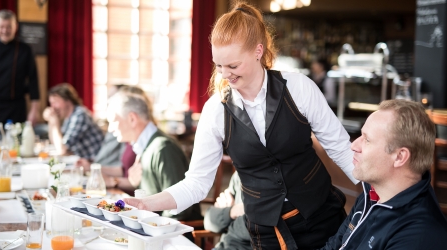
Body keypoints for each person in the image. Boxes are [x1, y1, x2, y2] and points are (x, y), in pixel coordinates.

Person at [124, 2, 357, 249]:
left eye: (233, 66)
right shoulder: (215, 111)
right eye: (219, 66)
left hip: (322, 219)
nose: (225, 75)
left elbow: (340, 149)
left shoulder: (298, 88)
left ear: (258, 51)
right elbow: (196, 183)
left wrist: (383, 190)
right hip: (267, 231)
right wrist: (147, 203)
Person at [319, 99, 447, 250]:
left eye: (367, 140)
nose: (354, 145)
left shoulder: (418, 237)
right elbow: (334, 246)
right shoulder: (372, 193)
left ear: (399, 157)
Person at [106, 85, 202, 221]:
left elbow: (181, 210)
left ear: (132, 119)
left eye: (113, 121)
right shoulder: (144, 147)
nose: (110, 129)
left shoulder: (163, 149)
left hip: (169, 233)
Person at [0, 10, 40, 124]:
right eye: (1, 27)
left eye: (9, 27)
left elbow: (33, 80)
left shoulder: (24, 49)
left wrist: (34, 109)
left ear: (15, 27)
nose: (5, 31)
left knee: (17, 141)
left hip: (16, 107)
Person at [43, 83, 104, 161]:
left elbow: (61, 149)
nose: (53, 107)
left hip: (95, 164)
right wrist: (51, 121)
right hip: (82, 161)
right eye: (51, 103)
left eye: (56, 102)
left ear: (68, 101)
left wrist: (55, 122)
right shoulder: (69, 118)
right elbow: (56, 143)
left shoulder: (80, 115)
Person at [204, 171, 250, 250]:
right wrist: (233, 211)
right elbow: (209, 221)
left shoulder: (275, 180)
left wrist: (228, 216)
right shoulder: (239, 175)